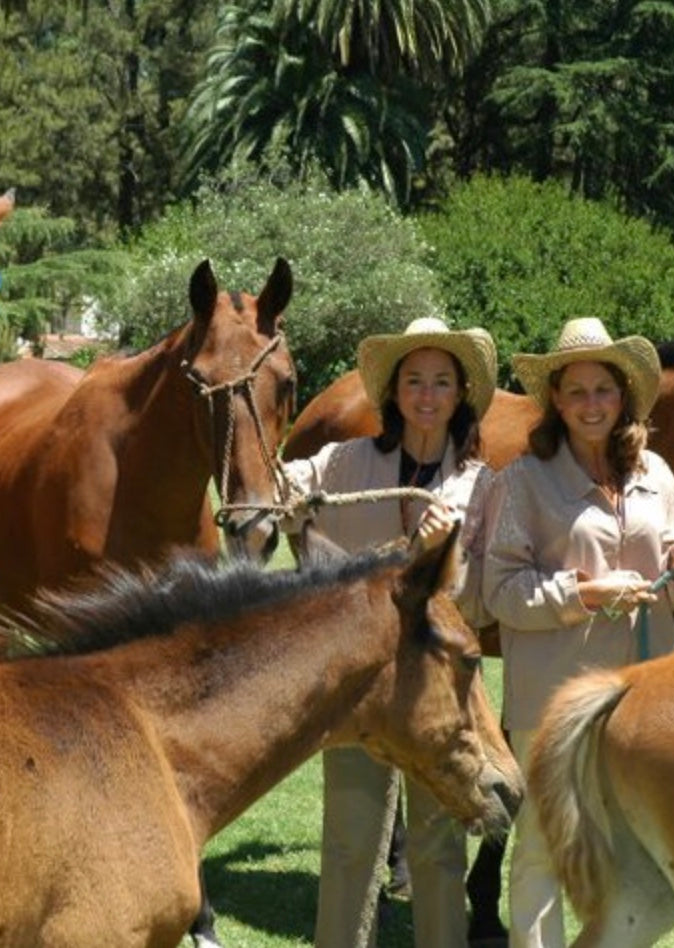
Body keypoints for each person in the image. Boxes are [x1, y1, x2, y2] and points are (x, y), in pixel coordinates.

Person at [481, 317, 674, 948]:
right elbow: (498, 593)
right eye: (576, 392)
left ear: (624, 396)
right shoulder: (522, 480)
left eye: (602, 390)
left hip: (646, 696)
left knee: (640, 846)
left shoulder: (657, 474)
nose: (590, 405)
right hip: (556, 699)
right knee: (542, 849)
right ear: (555, 399)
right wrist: (581, 595)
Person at [285, 315, 500, 948]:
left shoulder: (482, 484)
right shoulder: (349, 459)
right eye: (414, 381)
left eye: (440, 382)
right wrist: (290, 498)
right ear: (394, 392)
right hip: (360, 681)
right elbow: (280, 491)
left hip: (436, 689)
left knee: (438, 848)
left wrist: (445, 554)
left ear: (460, 394)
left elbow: (484, 597)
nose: (427, 395)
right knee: (350, 843)